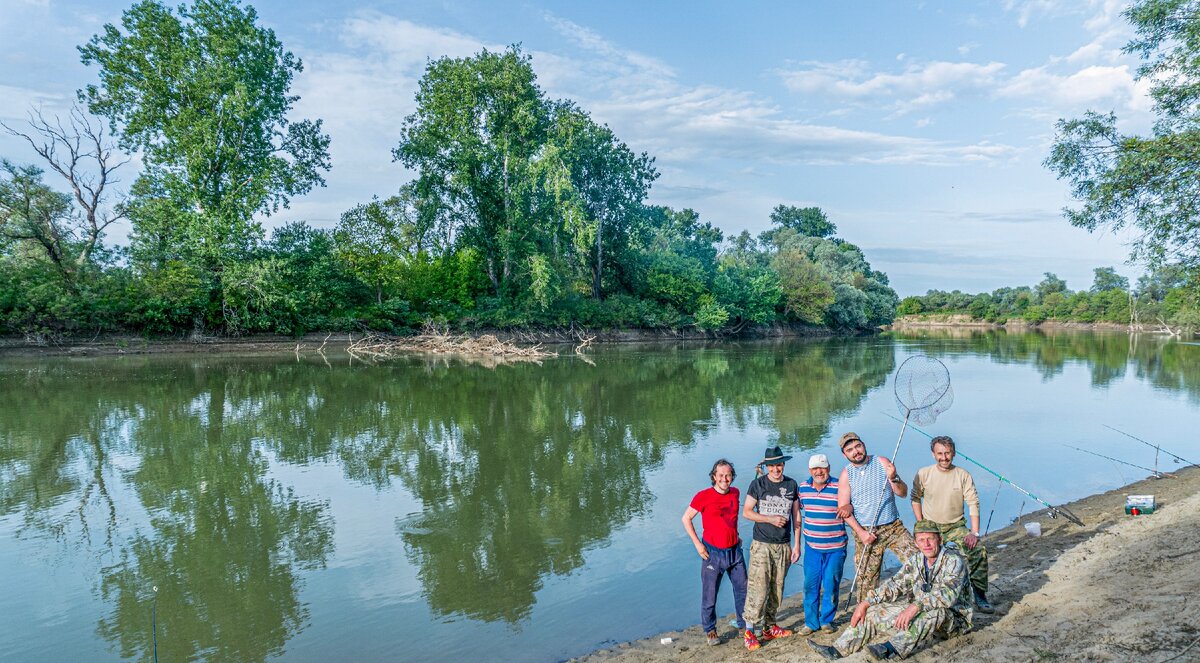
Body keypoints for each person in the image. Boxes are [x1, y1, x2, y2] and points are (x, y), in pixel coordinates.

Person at [806, 520, 974, 661]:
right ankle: (837, 651)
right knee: (872, 611)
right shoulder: (916, 560)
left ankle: (890, 650)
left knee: (936, 612)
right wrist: (867, 602)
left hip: (954, 620)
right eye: (921, 540)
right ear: (915, 543)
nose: (927, 544)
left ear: (940, 539)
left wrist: (914, 607)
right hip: (920, 611)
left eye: (931, 539)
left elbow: (947, 595)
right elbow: (895, 584)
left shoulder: (953, 560)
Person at [910, 435, 993, 613]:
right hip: (931, 526)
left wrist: (975, 532)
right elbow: (915, 498)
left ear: (953, 453)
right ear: (933, 454)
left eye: (947, 453)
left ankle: (980, 594)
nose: (944, 457)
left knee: (978, 551)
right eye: (940, 453)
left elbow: (973, 503)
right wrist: (921, 524)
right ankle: (923, 594)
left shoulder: (963, 475)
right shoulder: (924, 473)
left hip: (956, 526)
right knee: (921, 556)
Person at [835, 432, 916, 603]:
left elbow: (903, 493)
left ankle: (917, 601)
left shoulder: (882, 462)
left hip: (893, 527)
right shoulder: (846, 474)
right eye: (850, 450)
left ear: (863, 444)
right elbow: (844, 510)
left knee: (917, 561)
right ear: (845, 454)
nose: (856, 451)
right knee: (866, 580)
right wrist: (861, 533)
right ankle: (865, 614)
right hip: (865, 532)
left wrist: (894, 477)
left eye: (858, 446)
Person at [740, 446, 801, 651]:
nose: (776, 469)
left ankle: (769, 627)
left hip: (783, 545)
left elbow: (796, 517)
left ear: (783, 464)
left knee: (777, 588)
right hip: (762, 545)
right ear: (767, 467)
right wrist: (770, 519)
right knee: (758, 588)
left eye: (779, 464)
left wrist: (796, 544)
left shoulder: (791, 484)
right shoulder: (757, 484)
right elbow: (747, 512)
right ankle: (750, 631)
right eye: (772, 465)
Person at [682, 458, 748, 647]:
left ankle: (744, 625)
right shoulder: (703, 496)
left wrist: (736, 534)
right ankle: (710, 630)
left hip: (734, 552)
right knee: (710, 595)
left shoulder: (735, 493)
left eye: (728, 475)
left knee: (743, 590)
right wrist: (697, 544)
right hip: (712, 553)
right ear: (714, 476)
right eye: (721, 475)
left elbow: (731, 518)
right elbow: (686, 519)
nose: (725, 479)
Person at [797, 453, 847, 635]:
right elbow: (796, 513)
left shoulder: (839, 486)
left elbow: (849, 507)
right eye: (815, 468)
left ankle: (826, 620)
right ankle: (811, 622)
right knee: (810, 585)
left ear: (829, 468)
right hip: (812, 548)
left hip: (836, 547)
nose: (819, 472)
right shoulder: (802, 488)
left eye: (823, 468)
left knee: (831, 585)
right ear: (810, 470)